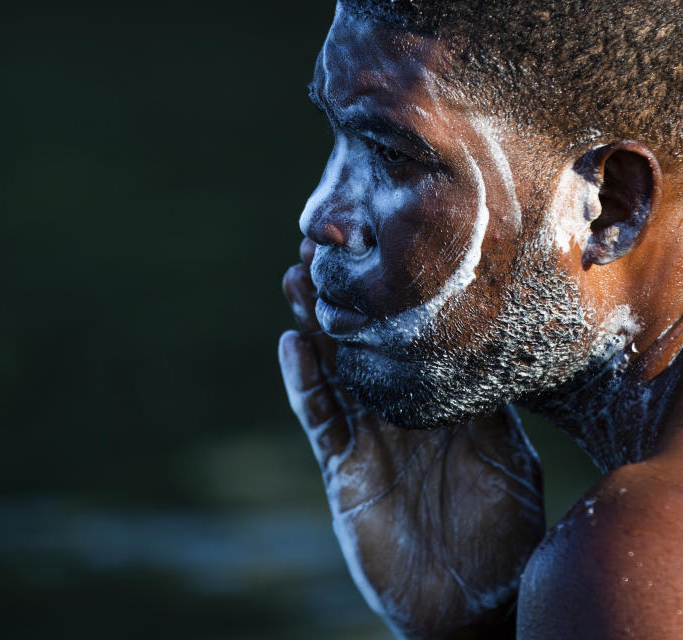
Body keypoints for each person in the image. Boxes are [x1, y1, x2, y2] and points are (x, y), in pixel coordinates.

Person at [278, 1, 683, 638]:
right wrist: (482, 624)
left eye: (392, 153)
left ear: (608, 206)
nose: (320, 216)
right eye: (337, 136)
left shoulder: (638, 555)